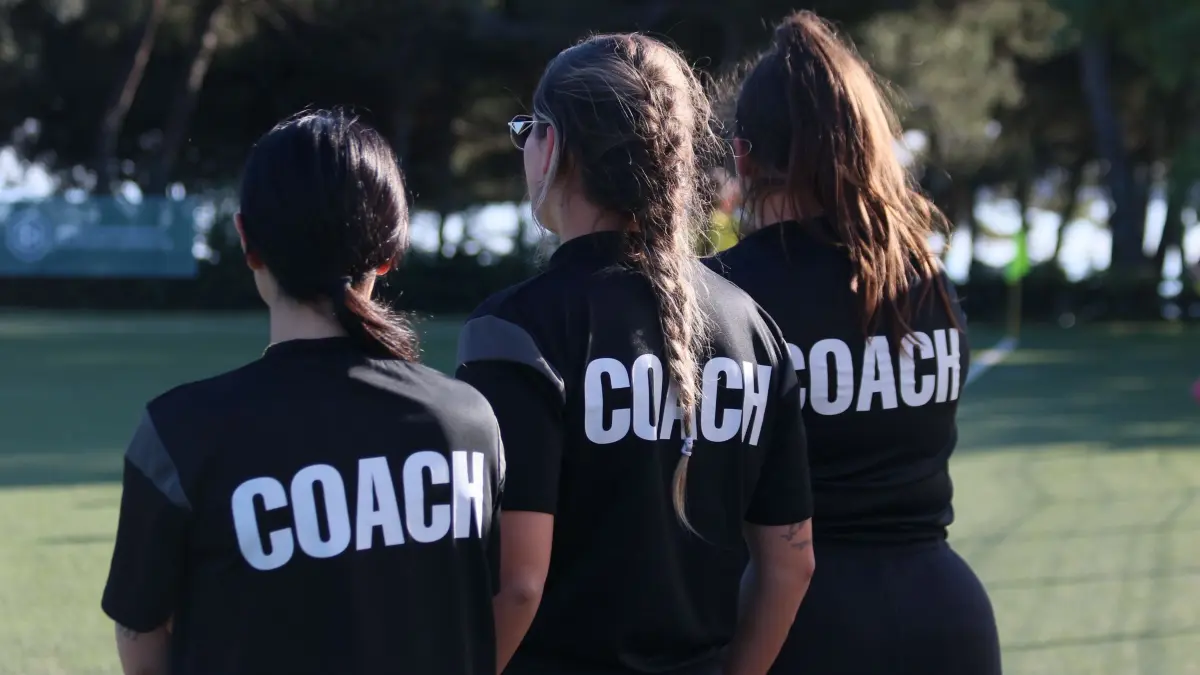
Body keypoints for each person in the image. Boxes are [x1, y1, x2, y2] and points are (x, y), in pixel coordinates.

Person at [456, 33, 815, 675]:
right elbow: (791, 565)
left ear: (553, 146)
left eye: (527, 131)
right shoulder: (755, 329)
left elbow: (518, 584)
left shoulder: (515, 328)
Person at [100, 109, 504, 675]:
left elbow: (142, 645)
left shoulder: (179, 434)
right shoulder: (468, 423)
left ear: (247, 241)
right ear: (389, 253)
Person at [706, 11, 1001, 675]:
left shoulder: (721, 297)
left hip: (795, 627)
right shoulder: (925, 281)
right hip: (949, 617)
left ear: (743, 156)